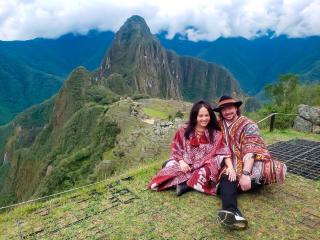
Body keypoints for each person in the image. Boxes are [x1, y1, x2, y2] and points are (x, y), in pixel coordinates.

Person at [213, 96, 287, 230]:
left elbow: (251, 149)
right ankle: (232, 212)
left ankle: (227, 189)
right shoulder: (218, 126)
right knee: (227, 176)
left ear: (236, 108)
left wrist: (246, 173)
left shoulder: (248, 124)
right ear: (220, 112)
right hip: (227, 159)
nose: (227, 112)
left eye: (230, 108)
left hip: (247, 159)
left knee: (273, 169)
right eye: (224, 109)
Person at [148, 100, 235, 197]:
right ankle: (184, 183)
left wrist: (230, 167)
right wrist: (181, 162)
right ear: (195, 116)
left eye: (207, 115)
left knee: (204, 171)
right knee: (171, 166)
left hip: (204, 165)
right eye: (200, 116)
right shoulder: (184, 130)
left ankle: (184, 185)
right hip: (186, 163)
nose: (204, 119)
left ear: (211, 116)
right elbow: (176, 148)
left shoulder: (216, 134)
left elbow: (224, 151)